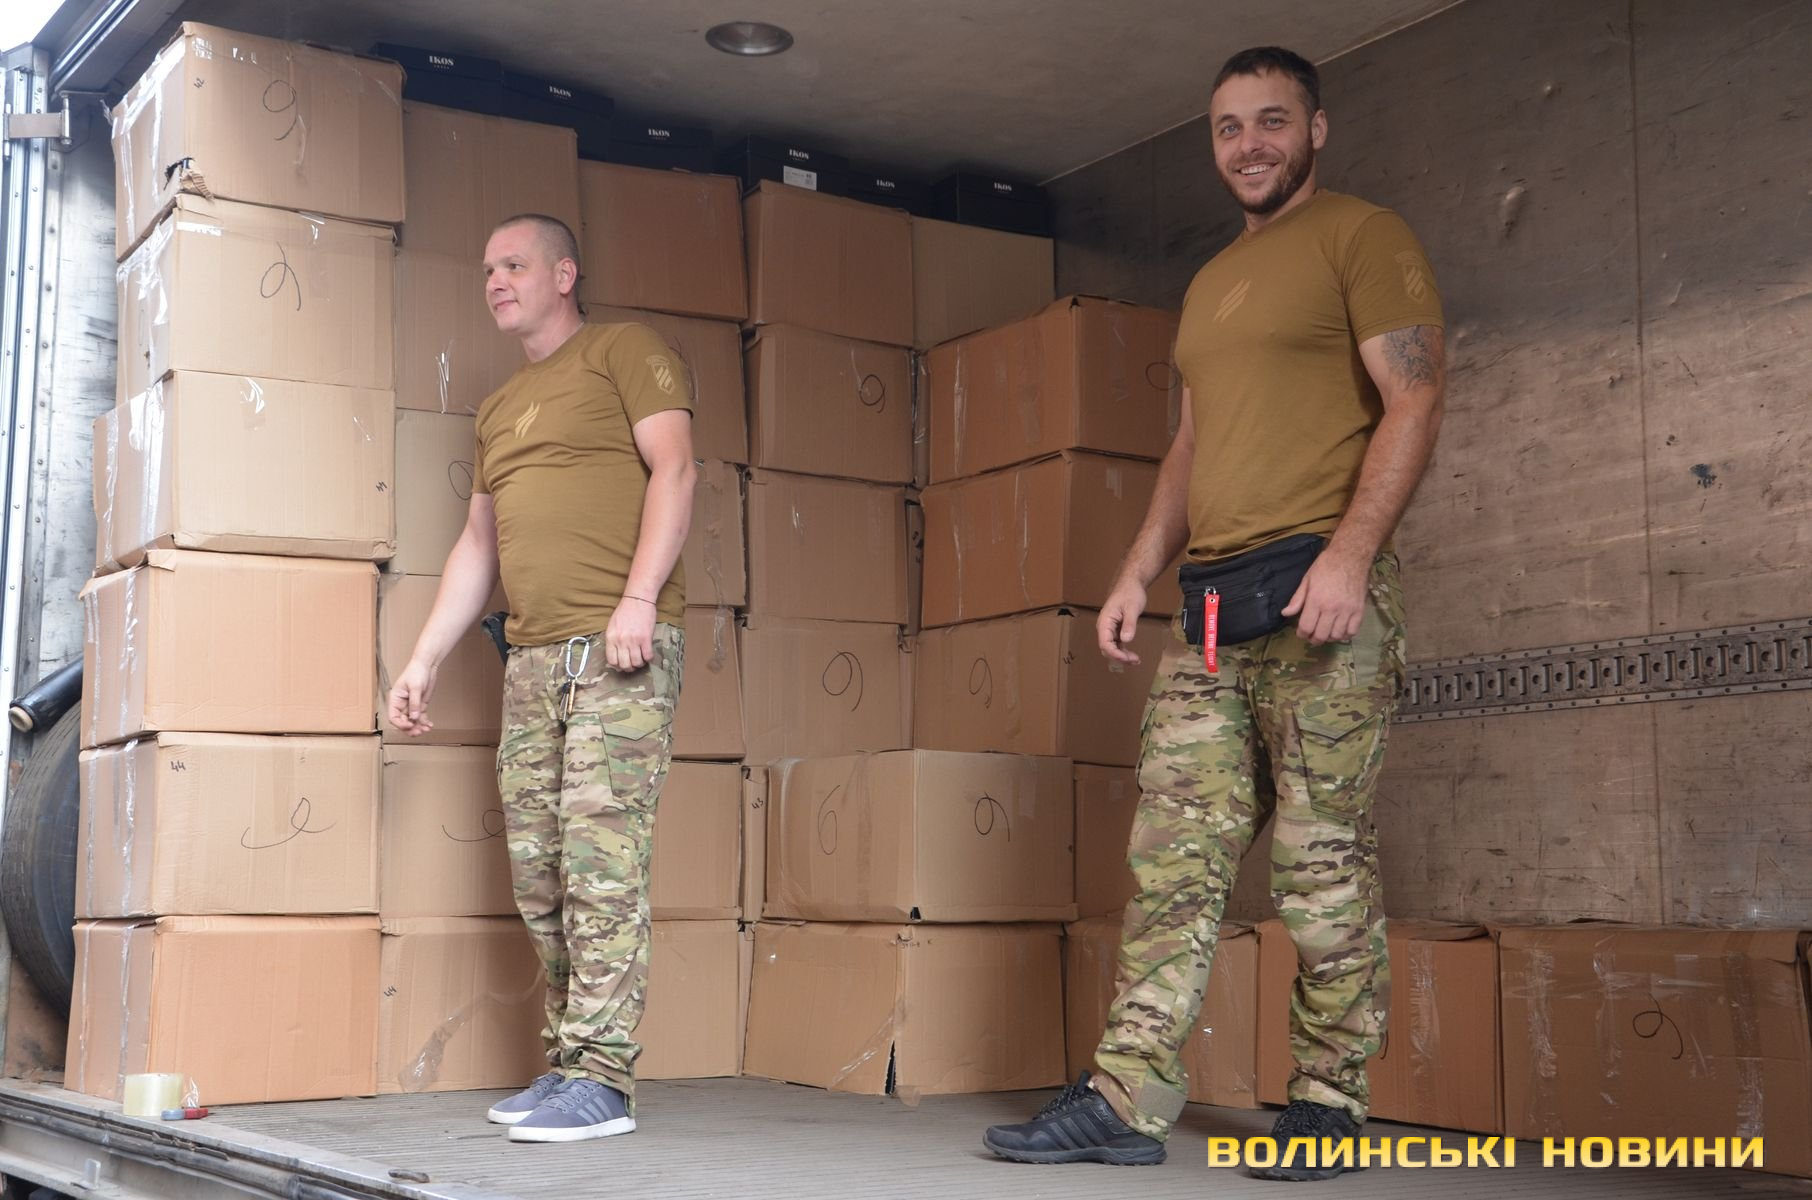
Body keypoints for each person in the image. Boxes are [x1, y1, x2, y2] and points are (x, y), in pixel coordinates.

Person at [983, 46, 1446, 1180]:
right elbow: (1191, 446)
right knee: (1174, 862)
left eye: (1272, 121)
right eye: (1230, 127)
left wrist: (1349, 555)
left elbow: (1416, 393)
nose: (1250, 145)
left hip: (1320, 595)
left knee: (1320, 865)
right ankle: (1125, 1099)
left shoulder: (1362, 236)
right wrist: (1137, 569)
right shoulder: (1207, 286)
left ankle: (1328, 1107)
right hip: (1209, 610)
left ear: (1316, 129)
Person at [386, 213, 696, 1145]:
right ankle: (568, 1061)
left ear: (565, 273)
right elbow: (478, 546)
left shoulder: (625, 352)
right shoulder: (498, 409)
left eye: (514, 264)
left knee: (603, 867)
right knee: (543, 874)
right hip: (530, 663)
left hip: (618, 650)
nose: (496, 280)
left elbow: (677, 472)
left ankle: (604, 1078)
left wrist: (638, 599)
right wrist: (423, 660)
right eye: (487, 268)